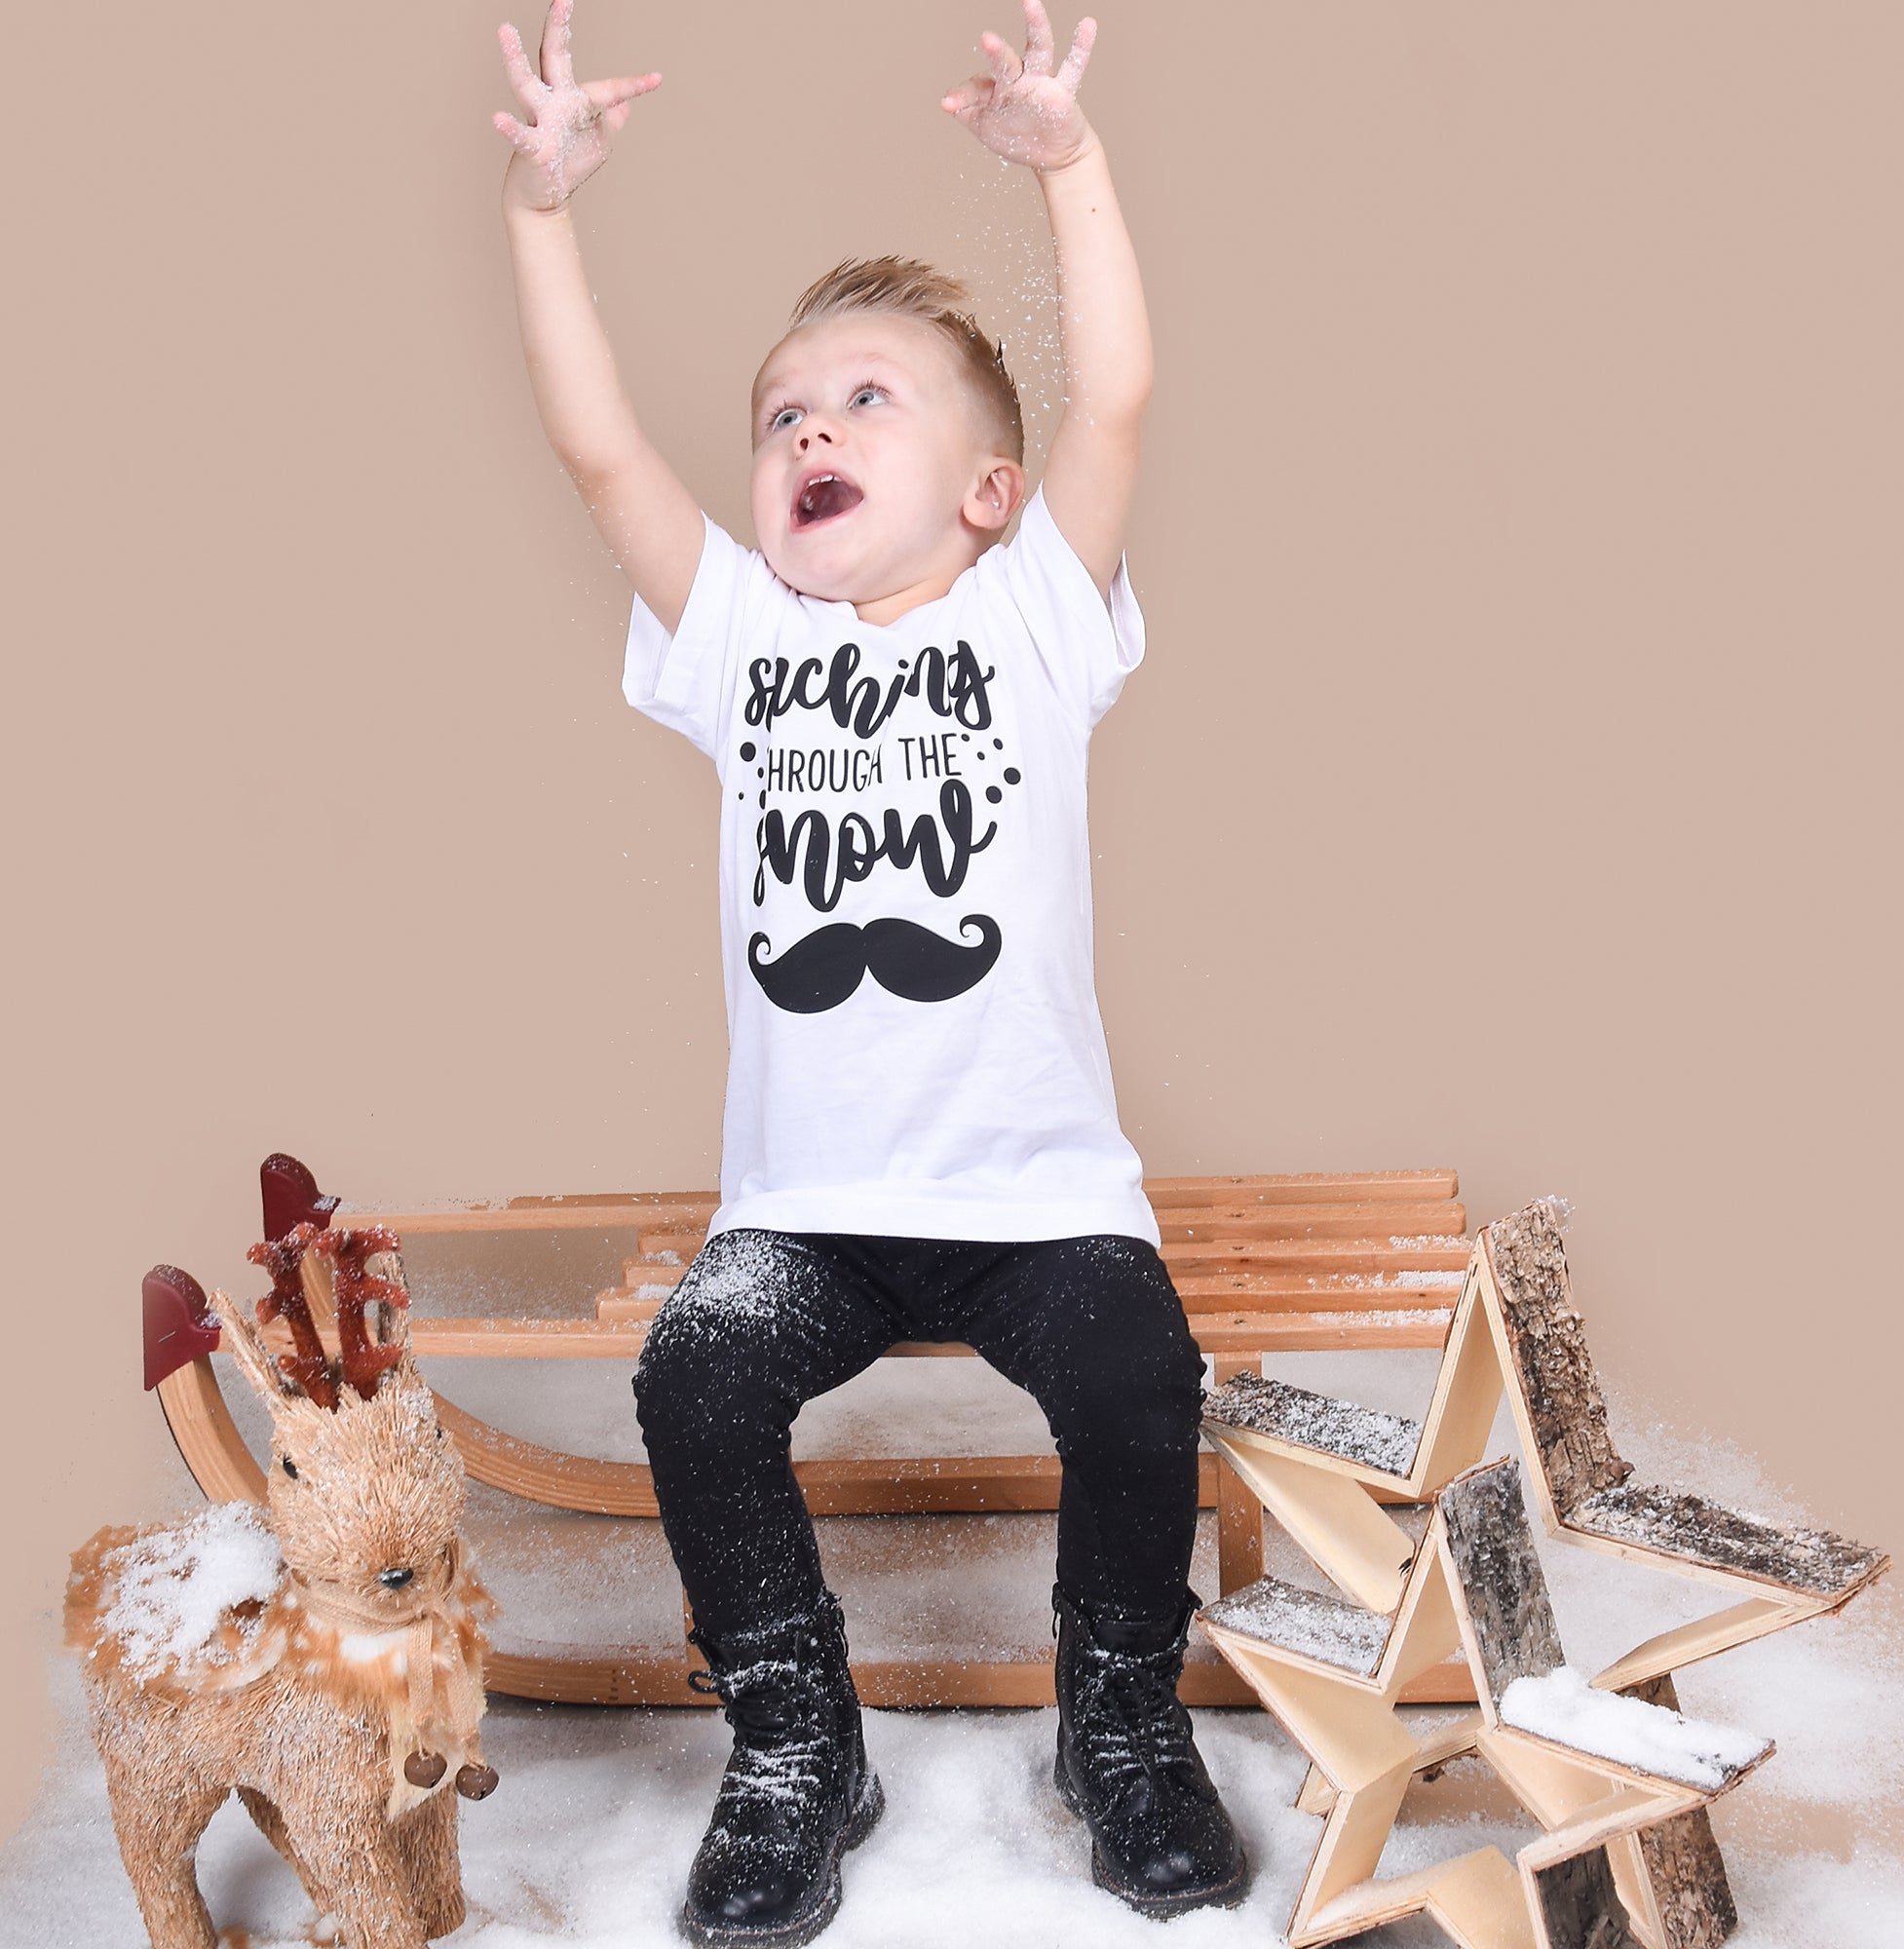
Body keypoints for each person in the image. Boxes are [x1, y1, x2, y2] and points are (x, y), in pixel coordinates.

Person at [495, 2, 1246, 1939]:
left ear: (986, 493)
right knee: (698, 1369)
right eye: (781, 417)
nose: (810, 430)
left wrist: (1069, 168)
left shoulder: (1030, 627)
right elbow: (596, 456)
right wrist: (541, 214)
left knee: (1136, 1362)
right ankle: (791, 1732)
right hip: (812, 1206)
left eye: (865, 402)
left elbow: (1123, 407)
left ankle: (1116, 1712)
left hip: (1031, 1194)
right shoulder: (743, 641)